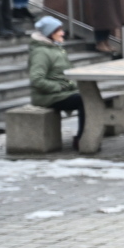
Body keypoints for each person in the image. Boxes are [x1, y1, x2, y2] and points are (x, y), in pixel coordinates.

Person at [28, 16, 85, 150]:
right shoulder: (41, 52)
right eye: (59, 30)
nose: (63, 33)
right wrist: (59, 87)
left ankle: (87, 136)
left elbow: (63, 74)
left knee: (91, 97)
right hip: (46, 97)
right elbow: (36, 79)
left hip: (61, 93)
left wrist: (70, 84)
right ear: (50, 33)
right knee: (85, 100)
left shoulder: (55, 48)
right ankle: (83, 139)